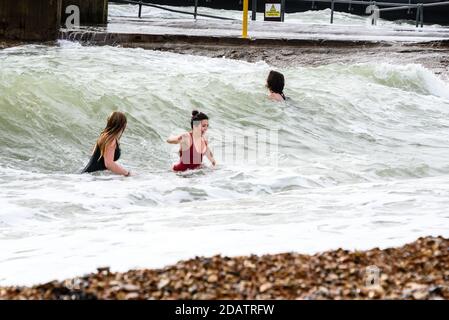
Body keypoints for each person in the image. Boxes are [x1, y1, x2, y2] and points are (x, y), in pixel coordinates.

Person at [82, 111, 131, 176]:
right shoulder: (111, 140)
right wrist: (127, 173)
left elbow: (94, 156)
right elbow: (109, 164)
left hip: (88, 175)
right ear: (123, 125)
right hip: (90, 177)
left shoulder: (104, 136)